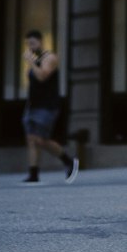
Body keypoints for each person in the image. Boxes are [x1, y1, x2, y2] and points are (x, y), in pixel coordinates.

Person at [22, 30, 78, 183]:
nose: (31, 47)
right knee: (31, 139)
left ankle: (69, 161)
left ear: (40, 42)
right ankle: (33, 174)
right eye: (28, 44)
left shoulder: (50, 58)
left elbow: (42, 77)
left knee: (39, 139)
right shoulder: (35, 60)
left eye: (33, 43)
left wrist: (31, 62)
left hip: (47, 106)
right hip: (32, 106)